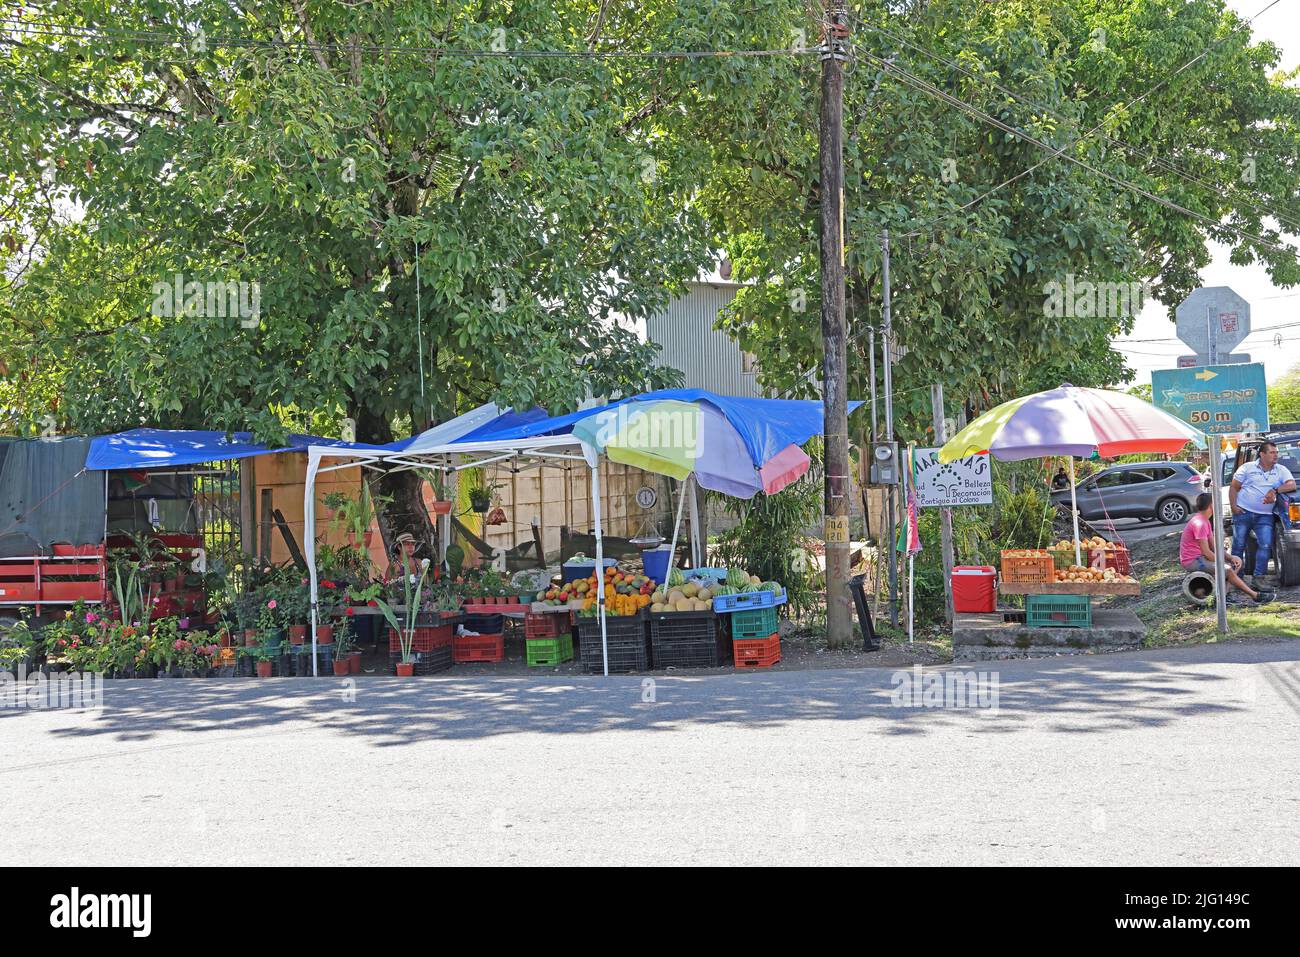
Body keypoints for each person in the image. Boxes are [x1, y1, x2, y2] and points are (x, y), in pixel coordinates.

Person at [1181, 492, 1272, 604]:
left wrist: (1231, 557)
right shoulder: (1200, 523)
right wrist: (1224, 563)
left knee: (1235, 563)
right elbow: (1207, 552)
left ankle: (1224, 597)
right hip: (1193, 561)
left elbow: (1215, 546)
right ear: (1211, 506)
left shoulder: (1205, 521)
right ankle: (1255, 595)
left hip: (1201, 558)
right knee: (1228, 569)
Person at [1229, 440, 1296, 586]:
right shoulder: (1247, 468)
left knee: (1265, 545)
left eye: (1276, 452)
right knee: (1239, 545)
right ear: (1262, 454)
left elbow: (1292, 484)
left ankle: (1258, 578)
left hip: (1265, 516)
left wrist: (1275, 490)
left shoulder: (1280, 469)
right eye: (1272, 452)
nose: (1276, 455)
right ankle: (1237, 578)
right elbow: (1234, 487)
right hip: (1243, 512)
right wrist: (1234, 507)